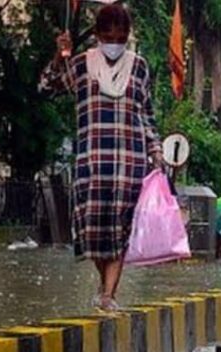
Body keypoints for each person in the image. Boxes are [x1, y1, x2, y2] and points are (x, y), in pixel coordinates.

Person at [41, 4, 165, 311]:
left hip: (130, 161)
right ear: (97, 35)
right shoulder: (81, 64)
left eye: (121, 38)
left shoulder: (139, 67)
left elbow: (146, 114)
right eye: (109, 37)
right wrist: (59, 54)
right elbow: (46, 88)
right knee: (94, 230)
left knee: (121, 230)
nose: (114, 43)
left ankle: (108, 295)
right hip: (92, 163)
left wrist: (156, 150)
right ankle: (104, 283)